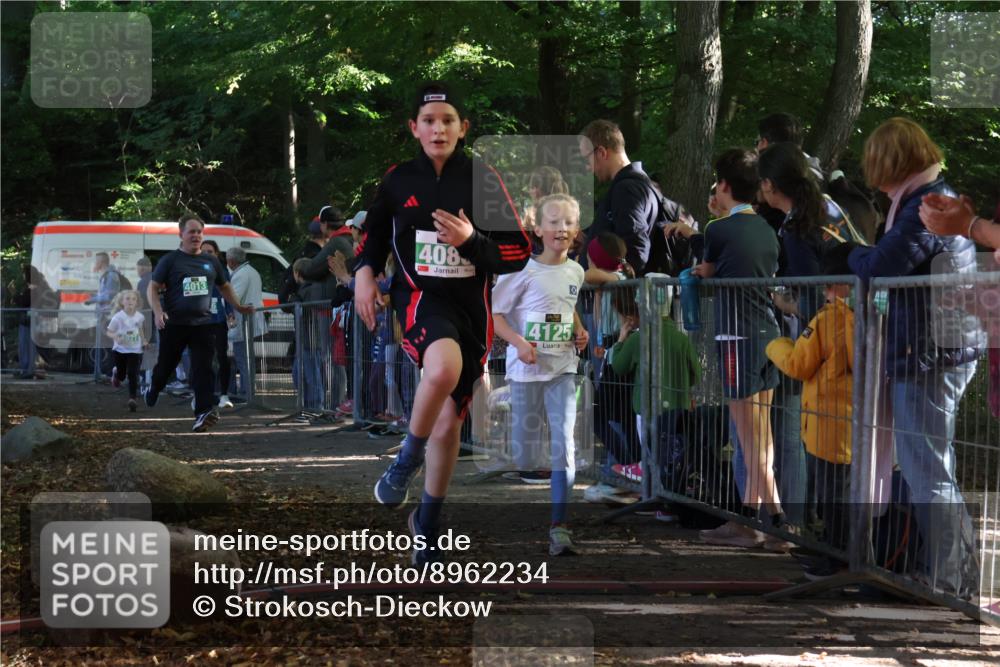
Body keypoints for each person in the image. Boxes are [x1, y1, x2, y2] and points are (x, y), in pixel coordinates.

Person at [358, 82, 530, 565]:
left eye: (448, 120)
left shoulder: (483, 180)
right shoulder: (397, 180)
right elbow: (371, 239)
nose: (438, 128)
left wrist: (473, 239)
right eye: (429, 120)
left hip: (470, 310)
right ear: (414, 128)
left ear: (463, 128)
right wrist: (364, 277)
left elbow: (518, 251)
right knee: (441, 370)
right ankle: (405, 460)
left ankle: (428, 522)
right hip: (419, 300)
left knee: (449, 423)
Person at [846, 117, 983, 595]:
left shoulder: (921, 208)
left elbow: (880, 265)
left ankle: (952, 580)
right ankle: (954, 574)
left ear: (891, 163)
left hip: (930, 354)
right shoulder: (924, 200)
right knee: (929, 464)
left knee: (927, 468)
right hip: (935, 349)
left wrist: (847, 254)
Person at [665, 148, 785, 548]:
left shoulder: (717, 229)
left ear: (726, 186)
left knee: (748, 438)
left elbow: (710, 267)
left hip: (736, 338)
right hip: (769, 335)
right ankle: (778, 523)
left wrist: (701, 269)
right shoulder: (769, 228)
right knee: (761, 436)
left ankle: (749, 522)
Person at [492, 193, 588, 554]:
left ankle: (559, 526)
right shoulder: (520, 271)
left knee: (565, 445)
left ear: (576, 230)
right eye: (553, 221)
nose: (560, 229)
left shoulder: (575, 270)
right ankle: (503, 401)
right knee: (526, 453)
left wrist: (580, 331)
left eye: (567, 222)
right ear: (537, 228)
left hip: (562, 368)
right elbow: (496, 315)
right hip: (527, 370)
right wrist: (519, 343)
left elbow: (568, 306)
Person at [766, 244, 856, 579]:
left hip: (826, 427)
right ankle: (839, 554)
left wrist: (774, 343)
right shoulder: (871, 317)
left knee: (833, 497)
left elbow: (798, 364)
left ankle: (836, 559)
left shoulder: (828, 320)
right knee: (843, 495)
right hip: (853, 424)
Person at [144, 214, 254, 432]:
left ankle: (203, 412)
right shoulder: (171, 260)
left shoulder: (211, 261)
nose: (195, 236)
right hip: (175, 324)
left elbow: (224, 287)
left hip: (203, 324)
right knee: (165, 367)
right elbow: (152, 287)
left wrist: (239, 307)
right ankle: (153, 388)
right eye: (191, 231)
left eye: (199, 232)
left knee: (205, 368)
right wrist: (158, 312)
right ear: (181, 234)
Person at [577, 119, 681, 275]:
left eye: (586, 158)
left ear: (601, 153)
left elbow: (636, 248)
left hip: (620, 296)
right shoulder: (639, 185)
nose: (587, 167)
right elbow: (620, 241)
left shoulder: (626, 190)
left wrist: (615, 280)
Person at [226, 246, 268, 400]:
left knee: (243, 359)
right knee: (246, 359)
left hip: (244, 323)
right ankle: (248, 391)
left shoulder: (241, 275)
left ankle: (246, 393)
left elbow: (234, 297)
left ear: (231, 261)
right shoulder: (251, 271)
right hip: (249, 322)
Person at [200, 240, 235, 409]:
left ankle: (223, 394)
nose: (207, 254)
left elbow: (227, 292)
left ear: (216, 254)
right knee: (202, 358)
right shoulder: (193, 268)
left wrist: (230, 312)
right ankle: (202, 393)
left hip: (218, 320)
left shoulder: (222, 271)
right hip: (199, 321)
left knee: (222, 357)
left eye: (210, 251)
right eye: (203, 251)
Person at [107, 289, 148, 412]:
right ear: (121, 302)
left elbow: (140, 330)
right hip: (120, 350)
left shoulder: (140, 316)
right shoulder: (118, 317)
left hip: (135, 350)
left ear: (137, 302)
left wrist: (144, 340)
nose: (131, 301)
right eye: (127, 299)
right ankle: (116, 373)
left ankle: (132, 399)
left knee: (132, 373)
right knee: (121, 374)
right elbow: (109, 331)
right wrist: (115, 337)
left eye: (133, 299)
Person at [87, 251, 123, 378]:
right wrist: (95, 297)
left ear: (101, 262)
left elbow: (110, 296)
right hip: (106, 315)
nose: (95, 264)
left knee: (111, 345)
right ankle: (111, 373)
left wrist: (92, 299)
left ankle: (113, 373)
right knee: (108, 345)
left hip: (109, 316)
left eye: (96, 261)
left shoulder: (111, 276)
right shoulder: (106, 275)